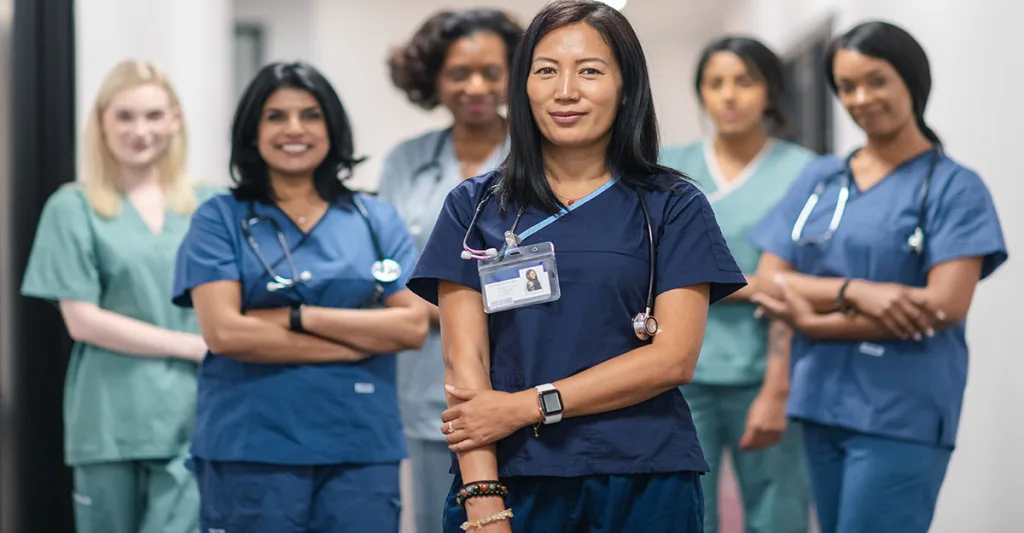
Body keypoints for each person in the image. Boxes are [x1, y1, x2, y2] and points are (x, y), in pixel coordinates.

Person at [406, 1, 748, 531]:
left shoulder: (671, 205)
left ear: (627, 87)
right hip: (512, 479)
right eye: (546, 71)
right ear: (523, 87)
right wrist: (482, 496)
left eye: (590, 71)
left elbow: (673, 358)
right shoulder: (474, 207)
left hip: (643, 477)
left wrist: (526, 406)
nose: (566, 91)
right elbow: (464, 366)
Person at [748, 21, 1008, 533]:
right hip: (821, 401)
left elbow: (942, 306)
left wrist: (818, 323)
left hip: (901, 411)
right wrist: (858, 292)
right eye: (846, 86)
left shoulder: (954, 187)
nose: (861, 98)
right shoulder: (821, 178)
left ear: (911, 79)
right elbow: (764, 279)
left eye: (876, 80)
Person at [170, 61, 429, 533]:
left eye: (311, 115)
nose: (295, 129)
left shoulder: (375, 219)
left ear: (332, 127)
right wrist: (361, 340)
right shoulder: (220, 219)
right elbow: (225, 332)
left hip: (360, 446)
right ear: (252, 131)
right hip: (251, 447)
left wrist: (296, 315)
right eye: (275, 116)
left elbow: (412, 326)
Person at [20, 59, 215, 533]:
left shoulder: (210, 205)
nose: (139, 130)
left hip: (193, 413)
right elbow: (82, 320)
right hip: (108, 417)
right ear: (102, 122)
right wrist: (190, 345)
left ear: (175, 120)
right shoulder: (73, 207)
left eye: (152, 115)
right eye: (124, 116)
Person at [659, 36, 814, 533]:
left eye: (744, 82)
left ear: (769, 91)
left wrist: (700, 280)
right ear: (700, 93)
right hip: (680, 372)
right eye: (716, 83)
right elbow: (653, 268)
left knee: (778, 512)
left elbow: (797, 285)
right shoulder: (670, 170)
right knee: (685, 511)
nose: (729, 96)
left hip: (767, 369)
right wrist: (753, 284)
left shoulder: (803, 171)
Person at [378, 10, 522, 532]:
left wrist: (454, 307)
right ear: (433, 79)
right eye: (458, 73)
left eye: (491, 71)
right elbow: (389, 272)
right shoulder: (404, 162)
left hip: (525, 364)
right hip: (425, 381)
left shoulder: (542, 157)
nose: (476, 87)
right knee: (437, 517)